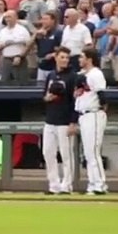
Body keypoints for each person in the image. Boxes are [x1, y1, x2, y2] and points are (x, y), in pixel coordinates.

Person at [42, 47, 78, 195]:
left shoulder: (72, 76)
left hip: (65, 120)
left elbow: (75, 101)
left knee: (66, 154)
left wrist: (73, 122)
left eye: (67, 58)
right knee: (48, 152)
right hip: (50, 119)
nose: (65, 60)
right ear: (56, 57)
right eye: (62, 57)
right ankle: (54, 184)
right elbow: (44, 95)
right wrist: (47, 98)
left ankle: (67, 184)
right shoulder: (51, 75)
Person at [75, 47, 108, 195]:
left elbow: (103, 96)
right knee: (88, 153)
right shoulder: (80, 74)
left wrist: (101, 112)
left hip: (94, 113)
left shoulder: (96, 73)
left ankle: (100, 185)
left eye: (82, 57)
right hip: (83, 114)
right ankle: (92, 184)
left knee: (93, 151)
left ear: (89, 59)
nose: (79, 59)